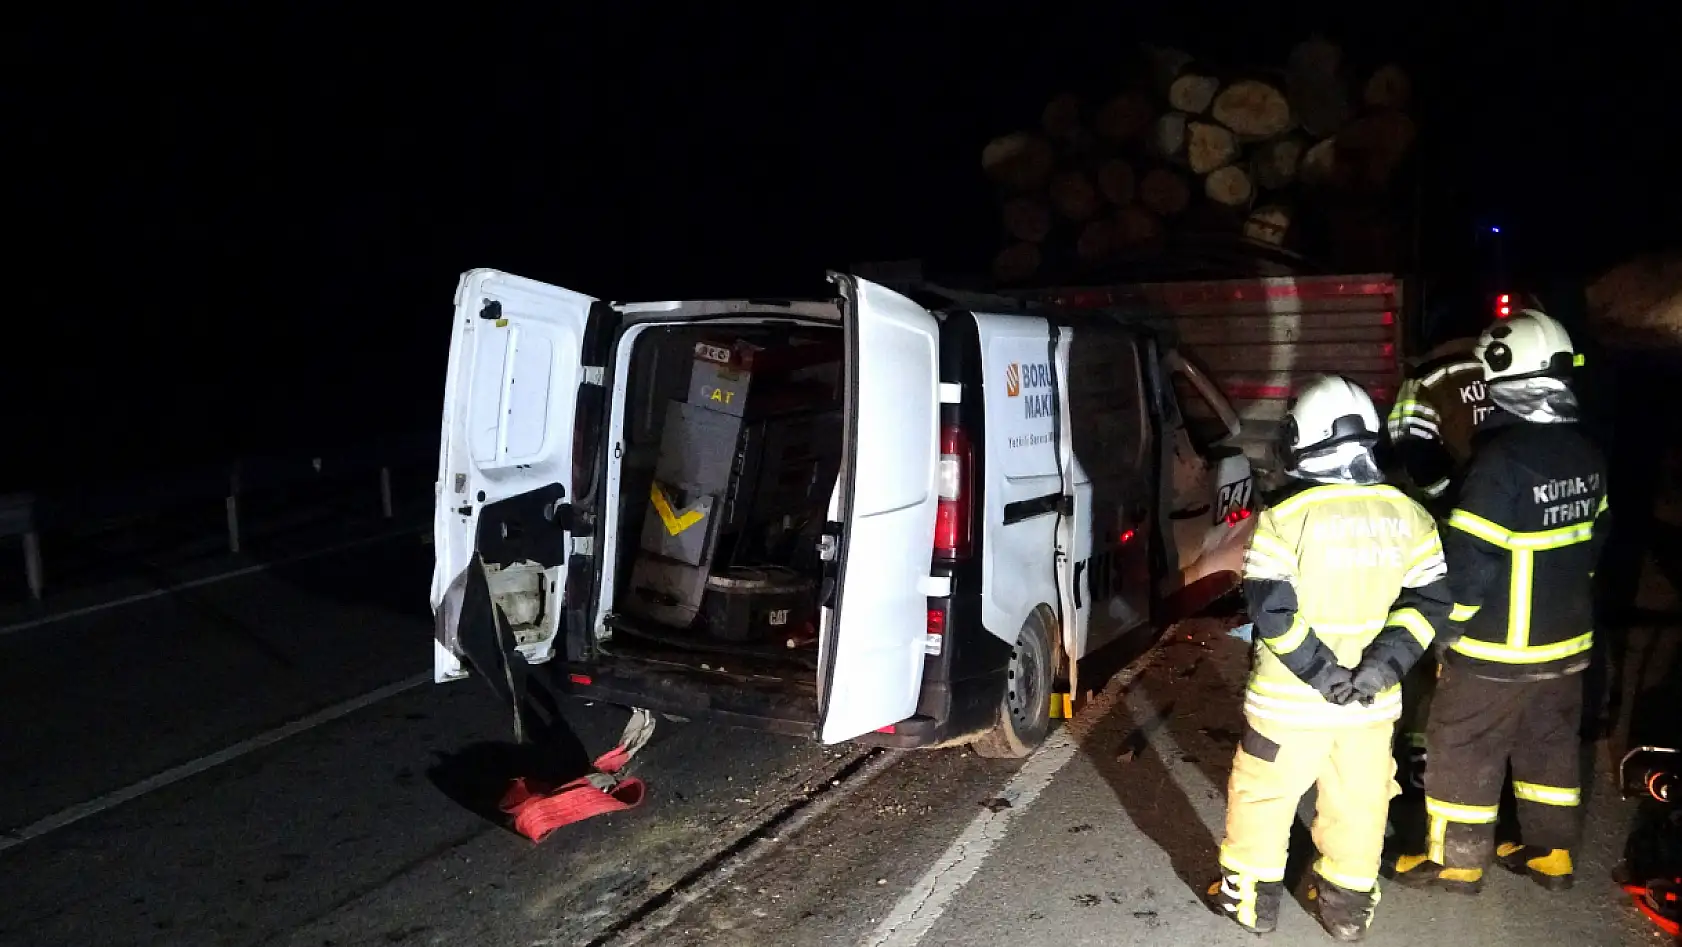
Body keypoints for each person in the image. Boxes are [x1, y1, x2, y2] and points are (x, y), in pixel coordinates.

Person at [1210, 375, 1452, 940]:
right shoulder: (1410, 515)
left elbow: (1272, 612)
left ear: (1302, 439)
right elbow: (1430, 600)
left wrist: (1322, 673)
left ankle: (1250, 906)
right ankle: (1347, 912)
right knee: (1361, 803)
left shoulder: (1285, 517)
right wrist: (1384, 666)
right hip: (1369, 707)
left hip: (1289, 704)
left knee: (1263, 796)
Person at [1392, 309, 1610, 894]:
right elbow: (1596, 542)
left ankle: (1458, 861)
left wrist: (1447, 631)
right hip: (1570, 645)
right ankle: (1551, 853)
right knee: (1549, 745)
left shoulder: (1499, 465)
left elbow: (1471, 565)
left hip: (1496, 648)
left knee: (1462, 743)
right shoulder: (1586, 454)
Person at [1386, 308, 1499, 787]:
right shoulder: (1502, 369)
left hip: (1447, 530)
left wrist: (1446, 501)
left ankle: (1417, 751)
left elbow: (1407, 448)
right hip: (1504, 523)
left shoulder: (1427, 380)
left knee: (1429, 634)